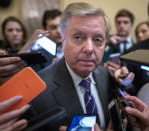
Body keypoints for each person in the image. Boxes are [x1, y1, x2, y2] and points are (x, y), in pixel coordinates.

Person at [24, 2, 119, 130]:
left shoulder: (104, 74)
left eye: (97, 40)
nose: (89, 49)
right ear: (62, 40)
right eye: (78, 37)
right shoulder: (36, 93)